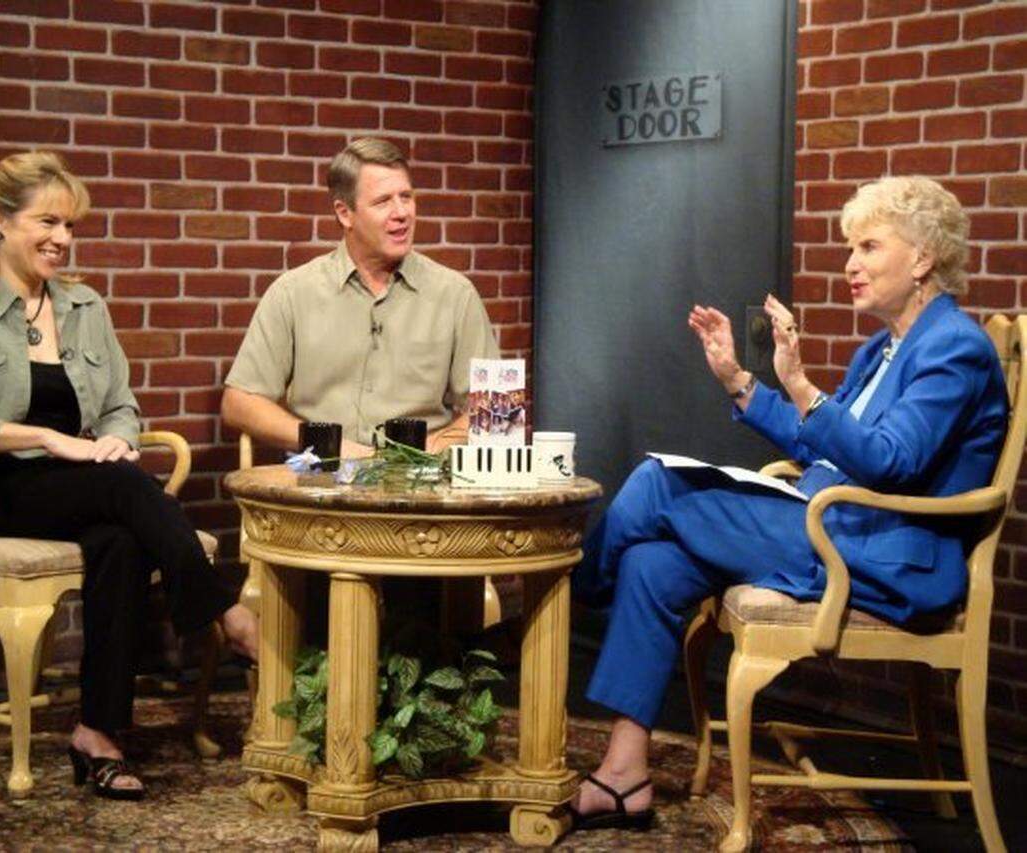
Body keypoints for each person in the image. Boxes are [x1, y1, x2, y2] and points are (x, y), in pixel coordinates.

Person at [568, 176, 1009, 828]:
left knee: (658, 482)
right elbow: (822, 443)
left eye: (868, 247)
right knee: (652, 564)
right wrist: (740, 381)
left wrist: (801, 385)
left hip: (880, 552)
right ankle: (624, 775)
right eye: (850, 248)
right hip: (828, 522)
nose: (850, 264)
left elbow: (891, 461)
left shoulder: (953, 348)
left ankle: (566, 597)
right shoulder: (884, 348)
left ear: (922, 258)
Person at [0, 151, 260, 800]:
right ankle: (227, 612)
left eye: (70, 225)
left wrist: (117, 438)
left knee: (121, 538)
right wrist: (47, 438)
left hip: (78, 487)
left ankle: (96, 733)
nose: (63, 238)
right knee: (125, 486)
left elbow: (121, 405)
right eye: (48, 221)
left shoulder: (83, 305)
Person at [221, 137, 499, 456]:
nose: (401, 213)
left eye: (406, 197)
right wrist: (332, 446)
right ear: (345, 213)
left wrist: (426, 451)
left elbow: (494, 408)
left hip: (421, 477)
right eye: (383, 201)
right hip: (323, 473)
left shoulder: (455, 295)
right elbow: (239, 402)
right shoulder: (293, 293)